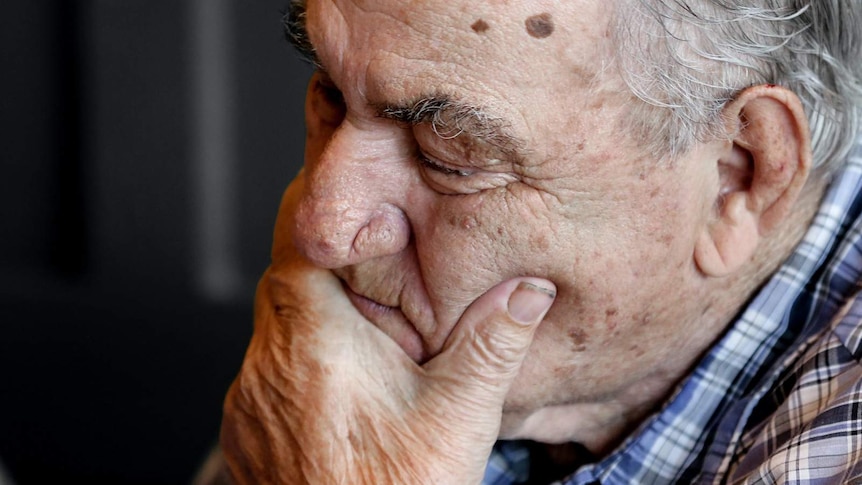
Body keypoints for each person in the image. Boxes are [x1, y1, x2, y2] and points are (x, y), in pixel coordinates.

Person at [211, 0, 862, 483]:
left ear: (737, 175)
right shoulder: (389, 337)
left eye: (451, 155)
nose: (323, 227)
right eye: (328, 92)